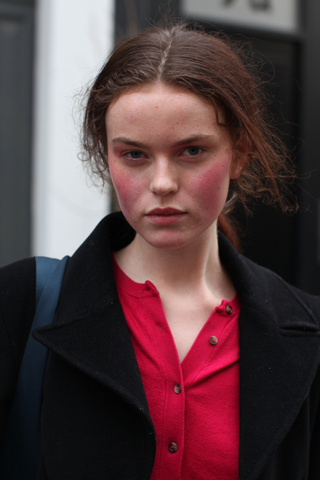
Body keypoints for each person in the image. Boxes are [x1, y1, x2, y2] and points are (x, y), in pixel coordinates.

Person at [1, 21, 320, 480]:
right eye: (134, 155)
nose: (163, 183)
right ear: (105, 156)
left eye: (191, 151)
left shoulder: (304, 332)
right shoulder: (21, 304)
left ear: (240, 152)